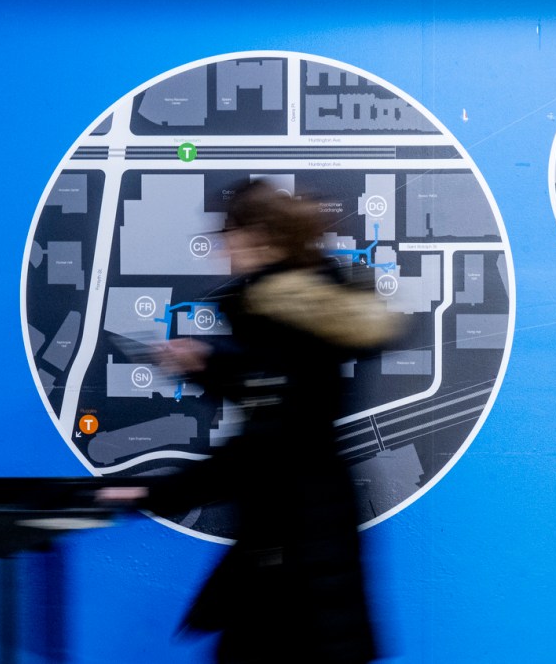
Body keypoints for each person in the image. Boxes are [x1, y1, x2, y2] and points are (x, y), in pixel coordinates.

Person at [105, 181, 403, 663]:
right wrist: (210, 367)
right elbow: (290, 406)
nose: (219, 251)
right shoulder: (306, 307)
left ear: (257, 235)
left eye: (226, 236)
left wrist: (153, 493)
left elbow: (269, 443)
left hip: (293, 557)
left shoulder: (279, 313)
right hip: (309, 540)